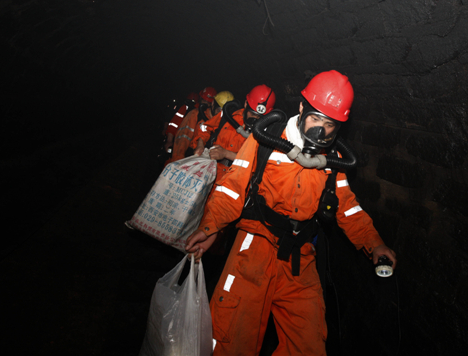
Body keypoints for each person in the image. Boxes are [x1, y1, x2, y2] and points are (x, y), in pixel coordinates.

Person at [185, 70, 397, 355]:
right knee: (231, 338)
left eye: (329, 124)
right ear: (302, 108)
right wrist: (209, 228)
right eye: (315, 118)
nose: (320, 130)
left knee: (307, 344)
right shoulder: (268, 138)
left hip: (300, 257)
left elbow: (347, 207)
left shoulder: (333, 160)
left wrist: (374, 243)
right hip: (254, 247)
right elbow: (232, 188)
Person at [191, 85, 276, 182]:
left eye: (259, 117)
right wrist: (200, 144)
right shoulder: (229, 115)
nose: (254, 119)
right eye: (252, 114)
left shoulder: (265, 134)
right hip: (208, 173)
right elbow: (205, 127)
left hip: (233, 180)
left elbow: (255, 164)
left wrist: (226, 154)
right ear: (245, 104)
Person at [167, 87, 218, 165]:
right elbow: (177, 128)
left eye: (207, 102)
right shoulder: (192, 111)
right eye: (203, 100)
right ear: (200, 98)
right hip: (184, 149)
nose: (204, 103)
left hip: (199, 156)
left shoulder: (211, 116)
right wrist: (169, 141)